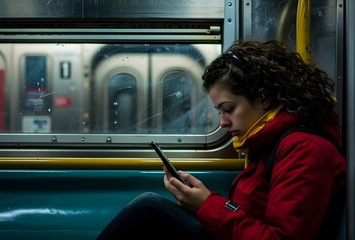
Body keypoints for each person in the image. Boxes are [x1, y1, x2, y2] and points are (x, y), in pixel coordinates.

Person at [96, 40, 347, 240]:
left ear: (263, 98)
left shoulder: (304, 149)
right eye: (219, 111)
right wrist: (205, 201)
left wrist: (206, 204)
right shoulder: (267, 144)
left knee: (147, 209)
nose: (222, 123)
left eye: (228, 109)